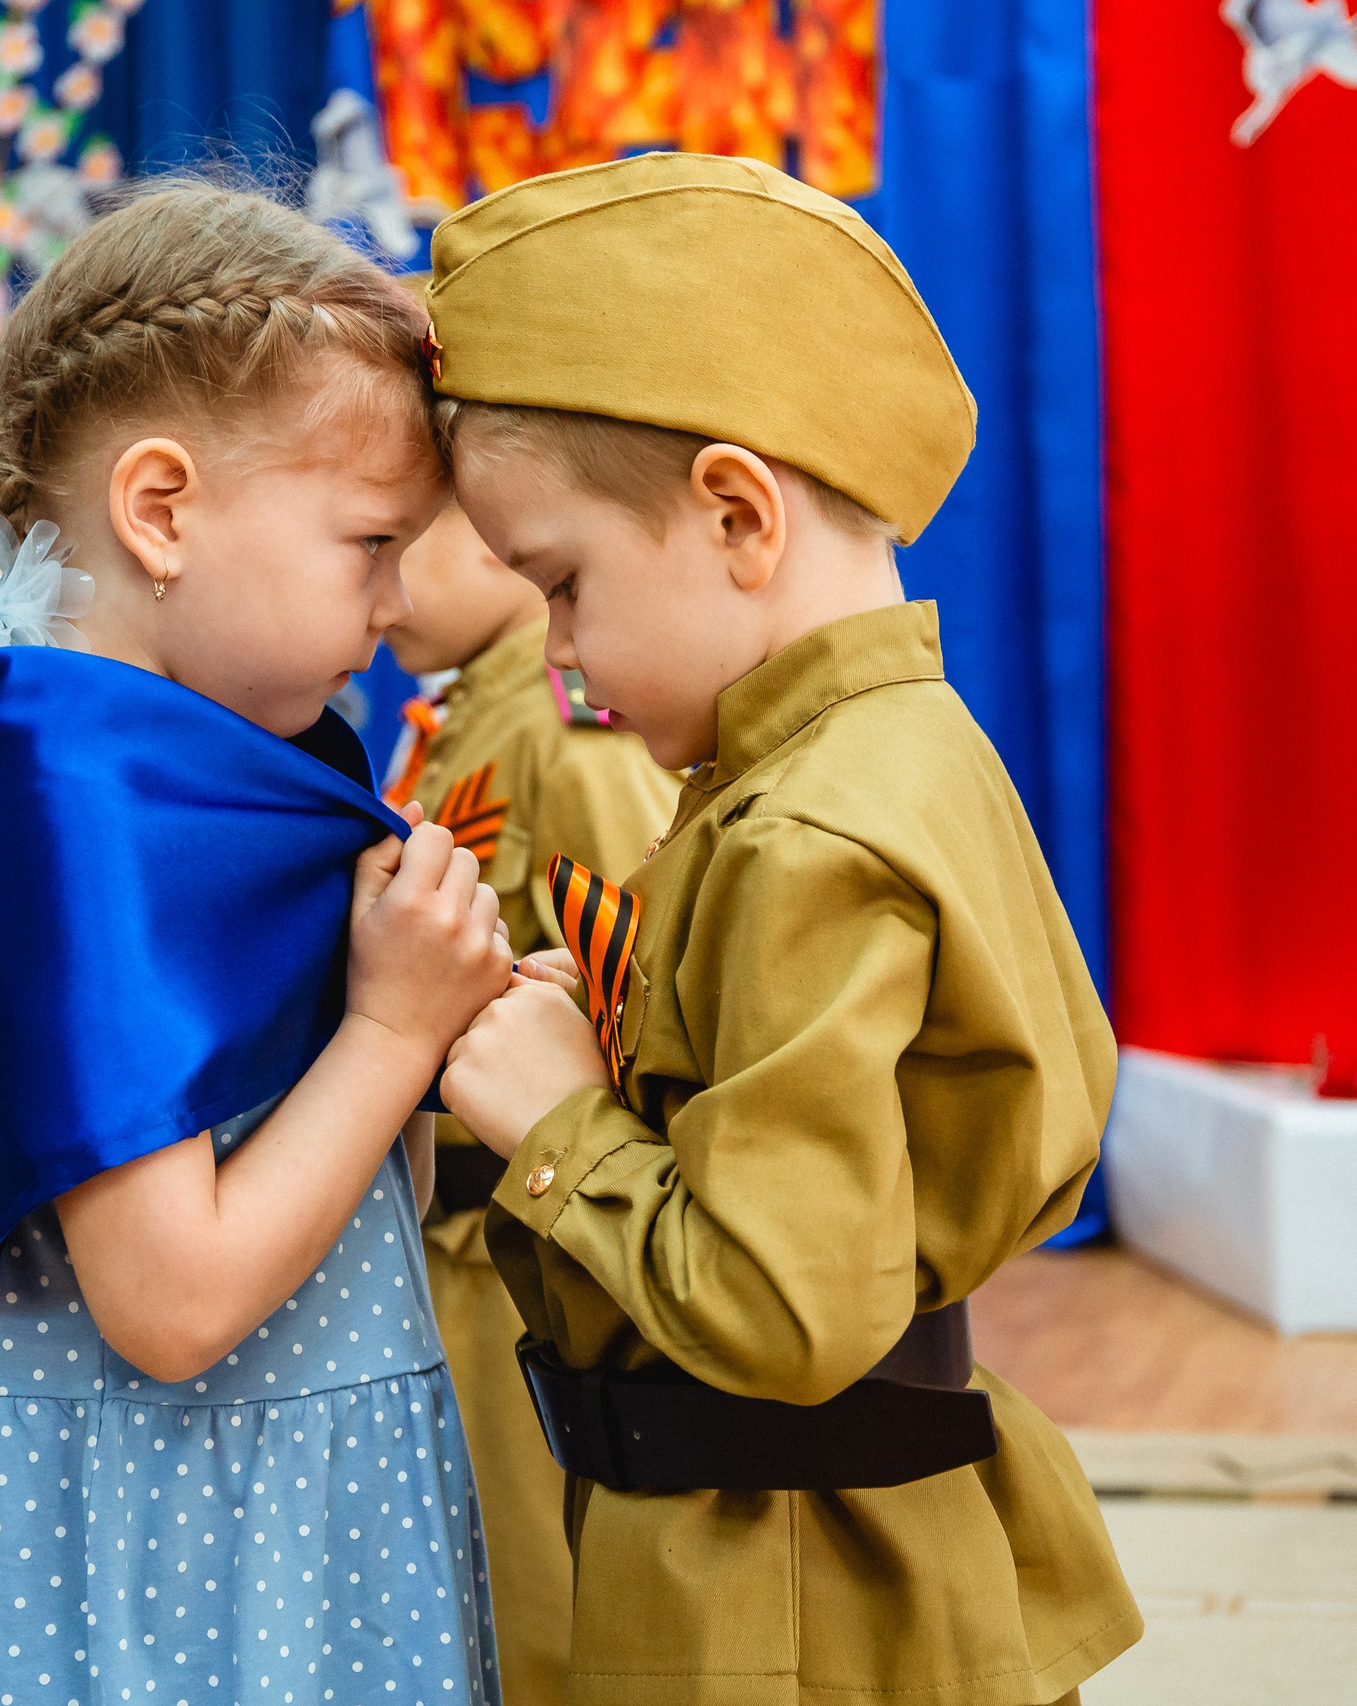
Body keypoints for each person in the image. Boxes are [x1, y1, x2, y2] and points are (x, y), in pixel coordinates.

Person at [427, 154, 1142, 1704]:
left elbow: (780, 1305)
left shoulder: (799, 833)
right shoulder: (888, 750)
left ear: (739, 513)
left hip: (778, 1589)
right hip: (844, 1550)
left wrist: (558, 1125)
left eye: (563, 581)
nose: (559, 644)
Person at [0, 184, 515, 1702]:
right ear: (162, 507)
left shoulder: (247, 766)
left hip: (323, 1460)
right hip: (183, 1521)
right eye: (369, 540)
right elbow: (170, 1305)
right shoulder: (64, 798)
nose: (396, 599)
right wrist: (390, 1032)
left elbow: (361, 1197)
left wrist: (446, 1027)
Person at [380, 501, 679, 1706]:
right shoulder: (460, 716)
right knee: (476, 1590)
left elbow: (635, 995)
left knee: (543, 1614)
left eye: (401, 546)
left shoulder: (569, 736)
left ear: (495, 531)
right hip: (451, 1243)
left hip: (523, 1241)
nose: (383, 595)